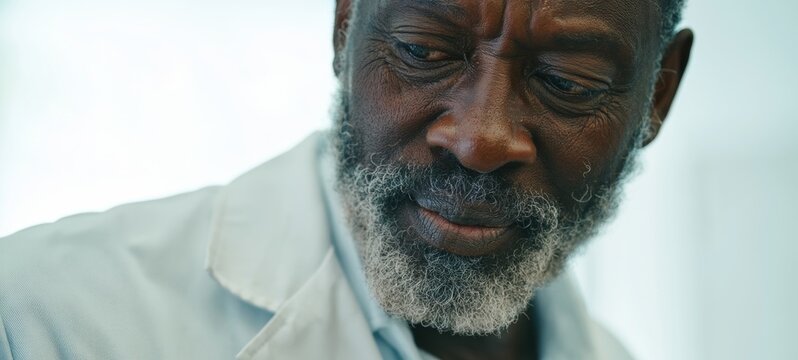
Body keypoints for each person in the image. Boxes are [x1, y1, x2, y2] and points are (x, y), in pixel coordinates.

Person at [0, 0, 693, 359]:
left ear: (657, 96)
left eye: (568, 82)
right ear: (344, 25)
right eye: (423, 49)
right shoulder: (45, 321)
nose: (479, 140)